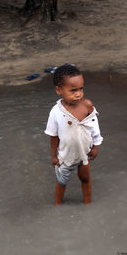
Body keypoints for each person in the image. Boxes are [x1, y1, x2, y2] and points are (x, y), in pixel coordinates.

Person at [44, 64, 103, 205]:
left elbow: (95, 127)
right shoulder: (56, 112)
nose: (78, 94)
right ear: (58, 90)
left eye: (81, 89)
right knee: (61, 182)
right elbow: (53, 136)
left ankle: (87, 204)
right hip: (65, 155)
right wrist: (53, 156)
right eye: (73, 90)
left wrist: (96, 146)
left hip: (84, 153)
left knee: (85, 178)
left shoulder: (87, 105)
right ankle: (58, 204)